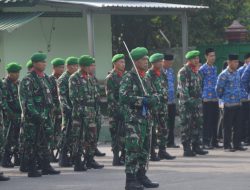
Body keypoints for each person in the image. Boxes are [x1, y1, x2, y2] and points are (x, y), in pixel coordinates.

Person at [120, 47, 159, 190]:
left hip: (146, 119)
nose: (146, 61)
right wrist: (141, 100)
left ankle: (141, 175)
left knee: (144, 149)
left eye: (147, 59)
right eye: (143, 59)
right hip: (134, 120)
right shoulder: (129, 77)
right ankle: (130, 180)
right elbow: (123, 97)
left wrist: (154, 99)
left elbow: (155, 93)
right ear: (135, 61)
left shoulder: (146, 77)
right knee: (133, 149)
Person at [19, 52, 60, 177]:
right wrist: (36, 115)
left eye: (45, 62)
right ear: (35, 64)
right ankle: (31, 168)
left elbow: (52, 96)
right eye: (42, 62)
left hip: (46, 116)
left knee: (46, 141)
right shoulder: (28, 80)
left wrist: (55, 109)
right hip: (33, 118)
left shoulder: (46, 78)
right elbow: (27, 101)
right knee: (32, 143)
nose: (44, 64)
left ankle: (46, 166)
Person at [69, 55, 104, 170]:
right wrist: (83, 110)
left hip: (92, 112)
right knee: (78, 137)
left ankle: (90, 159)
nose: (91, 68)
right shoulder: (74, 78)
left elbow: (95, 95)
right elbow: (73, 97)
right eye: (89, 66)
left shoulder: (90, 78)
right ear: (83, 66)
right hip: (80, 113)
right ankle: (78, 161)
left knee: (91, 137)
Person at [177, 50, 208, 157]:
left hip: (197, 102)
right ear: (189, 60)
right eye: (194, 58)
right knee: (186, 125)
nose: (197, 60)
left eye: (197, 58)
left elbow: (200, 86)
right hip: (187, 104)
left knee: (197, 124)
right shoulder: (184, 71)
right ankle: (186, 148)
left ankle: (196, 146)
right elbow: (183, 89)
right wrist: (190, 101)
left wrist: (198, 100)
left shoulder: (197, 71)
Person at [146, 53, 176, 161]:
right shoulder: (149, 75)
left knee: (163, 129)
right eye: (159, 61)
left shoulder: (163, 73)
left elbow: (166, 86)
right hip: (154, 107)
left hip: (163, 106)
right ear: (153, 63)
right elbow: (149, 91)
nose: (161, 63)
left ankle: (162, 150)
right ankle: (152, 152)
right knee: (152, 130)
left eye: (161, 61)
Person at [216, 54, 247, 152]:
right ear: (229, 62)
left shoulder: (237, 73)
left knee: (238, 126)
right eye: (234, 62)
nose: (237, 64)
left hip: (238, 103)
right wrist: (224, 99)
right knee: (227, 126)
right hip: (228, 104)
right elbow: (218, 89)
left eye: (237, 62)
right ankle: (227, 146)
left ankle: (237, 144)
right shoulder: (223, 74)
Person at [105, 54, 126, 166]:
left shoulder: (124, 76)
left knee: (124, 133)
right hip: (115, 111)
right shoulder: (111, 78)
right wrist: (118, 110)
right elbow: (111, 97)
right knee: (116, 134)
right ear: (115, 64)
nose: (123, 64)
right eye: (121, 62)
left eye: (124, 62)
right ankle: (116, 157)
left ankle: (124, 155)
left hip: (124, 110)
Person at [58, 57, 78, 167]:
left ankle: (72, 156)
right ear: (68, 67)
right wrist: (68, 109)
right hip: (67, 111)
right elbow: (62, 97)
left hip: (76, 111)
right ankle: (63, 156)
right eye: (73, 66)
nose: (75, 68)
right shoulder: (63, 79)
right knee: (66, 133)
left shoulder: (75, 78)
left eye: (76, 66)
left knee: (74, 134)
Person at [1, 63, 22, 168]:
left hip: (19, 115)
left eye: (18, 72)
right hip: (9, 116)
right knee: (8, 138)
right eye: (15, 73)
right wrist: (9, 113)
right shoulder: (5, 84)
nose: (17, 75)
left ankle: (18, 158)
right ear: (9, 73)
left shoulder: (18, 83)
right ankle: (5, 159)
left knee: (18, 137)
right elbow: (3, 101)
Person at [199, 48, 220, 149]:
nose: (213, 58)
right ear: (206, 56)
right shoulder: (202, 69)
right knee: (207, 121)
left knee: (215, 120)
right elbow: (199, 84)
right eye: (211, 56)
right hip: (206, 98)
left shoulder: (214, 68)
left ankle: (214, 141)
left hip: (215, 98)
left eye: (214, 56)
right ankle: (206, 142)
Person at [48, 58, 65, 161]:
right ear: (54, 68)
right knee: (52, 132)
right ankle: (50, 154)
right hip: (53, 110)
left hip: (61, 109)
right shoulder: (50, 79)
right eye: (60, 67)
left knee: (59, 132)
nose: (62, 69)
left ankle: (59, 152)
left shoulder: (62, 79)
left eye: (63, 67)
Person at [162, 54, 179, 148]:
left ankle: (170, 142)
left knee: (171, 123)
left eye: (171, 62)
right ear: (164, 61)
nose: (170, 64)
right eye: (169, 62)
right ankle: (161, 142)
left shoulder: (171, 71)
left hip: (172, 100)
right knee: (163, 123)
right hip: (163, 101)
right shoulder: (160, 71)